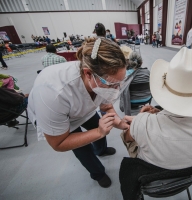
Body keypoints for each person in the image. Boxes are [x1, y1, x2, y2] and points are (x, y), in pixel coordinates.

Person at [28, 37, 130, 188]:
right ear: (88, 74)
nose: (116, 90)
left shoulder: (100, 78)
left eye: (119, 84)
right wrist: (98, 132)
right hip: (59, 115)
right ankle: (98, 173)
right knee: (82, 147)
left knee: (100, 127)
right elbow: (59, 143)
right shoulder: (53, 92)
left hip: (82, 108)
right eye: (111, 85)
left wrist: (122, 124)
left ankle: (100, 150)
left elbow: (107, 108)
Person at [121, 47, 192, 168]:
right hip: (187, 174)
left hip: (151, 172)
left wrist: (140, 119)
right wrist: (158, 114)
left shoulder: (143, 123)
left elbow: (127, 138)